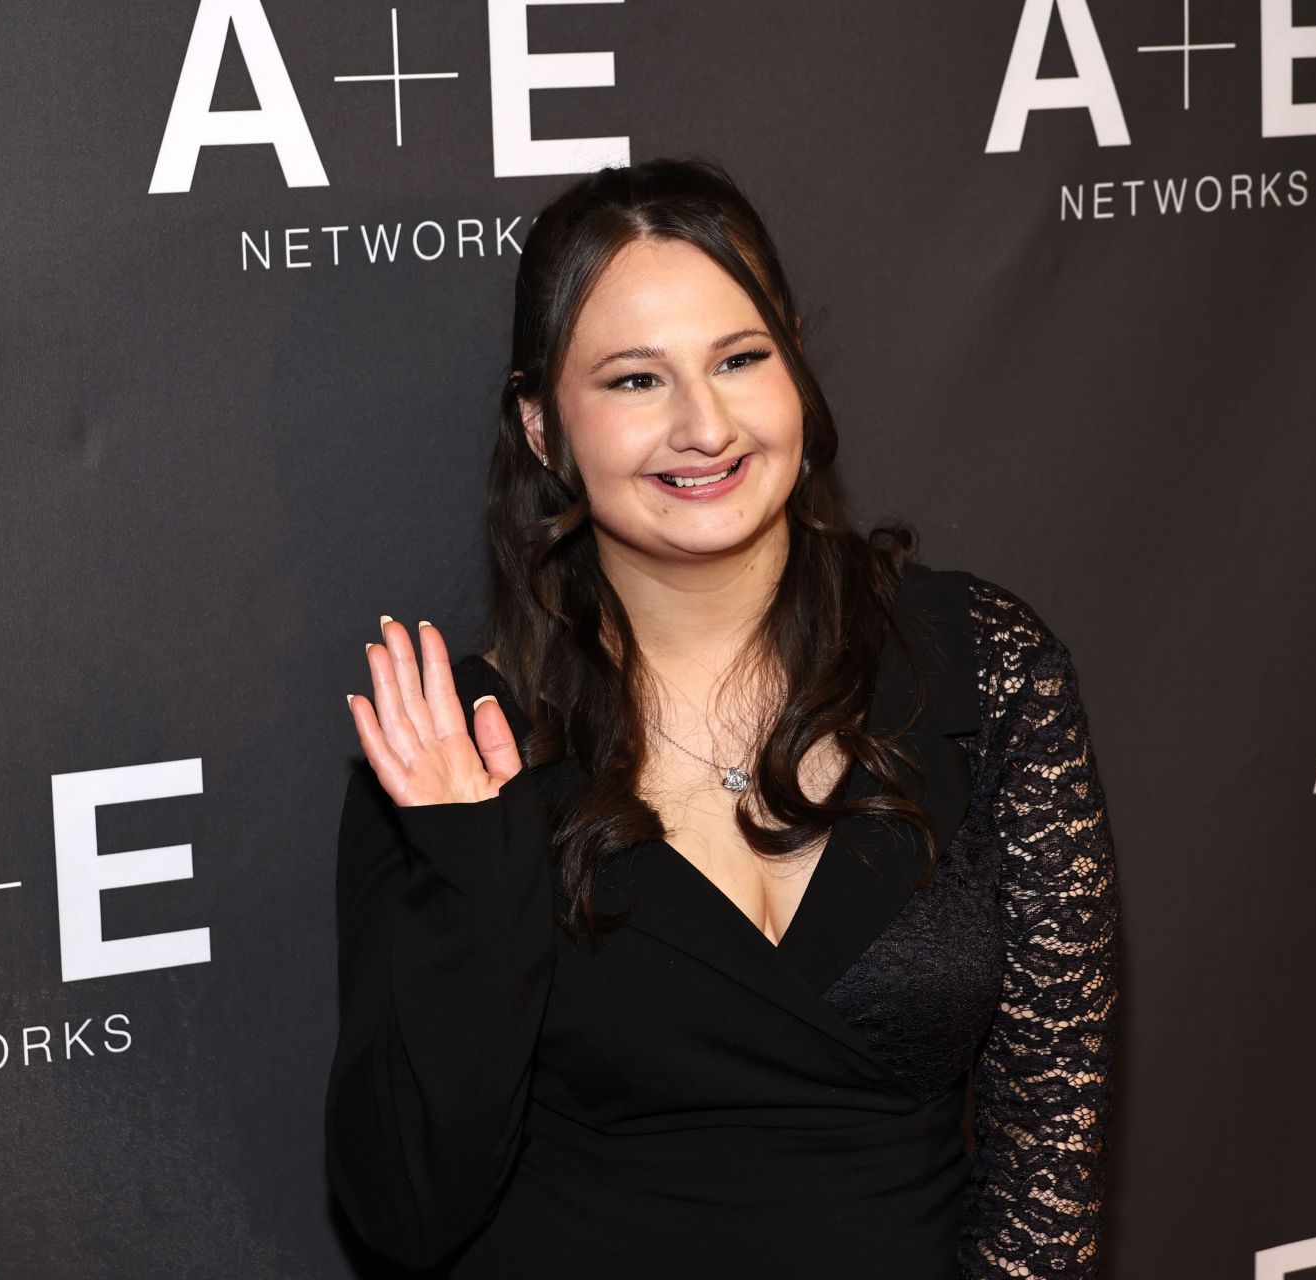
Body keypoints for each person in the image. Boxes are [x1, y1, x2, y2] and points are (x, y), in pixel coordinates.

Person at [325, 156, 1121, 1278]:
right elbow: (405, 1211)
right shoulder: (457, 748)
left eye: (740, 359)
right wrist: (474, 873)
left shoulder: (984, 667)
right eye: (635, 381)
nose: (705, 425)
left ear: (794, 365)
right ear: (543, 429)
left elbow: (1051, 1140)